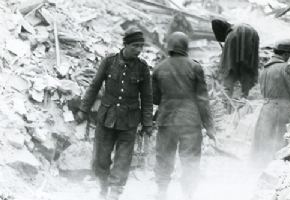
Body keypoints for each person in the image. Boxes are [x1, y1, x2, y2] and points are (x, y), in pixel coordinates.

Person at [76, 27, 153, 200]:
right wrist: (83, 109)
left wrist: (147, 122)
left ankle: (115, 192)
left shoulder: (142, 68)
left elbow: (147, 97)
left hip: (130, 120)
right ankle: (103, 188)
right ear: (125, 44)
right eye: (135, 46)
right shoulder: (109, 62)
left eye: (141, 46)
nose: (139, 50)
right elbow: (94, 86)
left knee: (124, 158)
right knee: (101, 157)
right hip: (106, 117)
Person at [152, 32, 216, 200]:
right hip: (190, 121)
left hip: (166, 120)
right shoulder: (195, 67)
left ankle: (161, 191)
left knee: (164, 157)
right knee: (190, 160)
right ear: (186, 47)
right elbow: (202, 100)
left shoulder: (159, 68)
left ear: (170, 46)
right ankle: (188, 194)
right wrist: (210, 127)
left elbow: (155, 98)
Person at [252, 39, 290, 166]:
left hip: (266, 110)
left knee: (264, 142)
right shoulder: (285, 67)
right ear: (285, 54)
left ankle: (260, 168)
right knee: (280, 143)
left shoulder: (265, 69)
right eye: (289, 54)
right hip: (281, 111)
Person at [212, 19, 259, 112]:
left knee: (229, 71)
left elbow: (227, 66)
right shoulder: (237, 26)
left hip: (236, 36)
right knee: (247, 70)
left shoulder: (230, 33)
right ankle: (245, 99)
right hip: (254, 34)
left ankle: (226, 108)